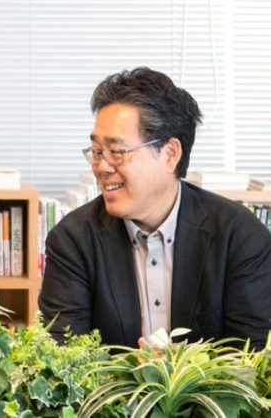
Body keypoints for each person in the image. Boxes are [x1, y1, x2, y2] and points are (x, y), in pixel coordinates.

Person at [39, 67, 271, 349]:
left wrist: (179, 369)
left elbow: (254, 353)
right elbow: (63, 352)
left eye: (117, 152)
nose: (102, 167)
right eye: (97, 152)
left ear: (170, 154)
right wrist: (134, 370)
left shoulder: (240, 236)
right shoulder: (73, 239)